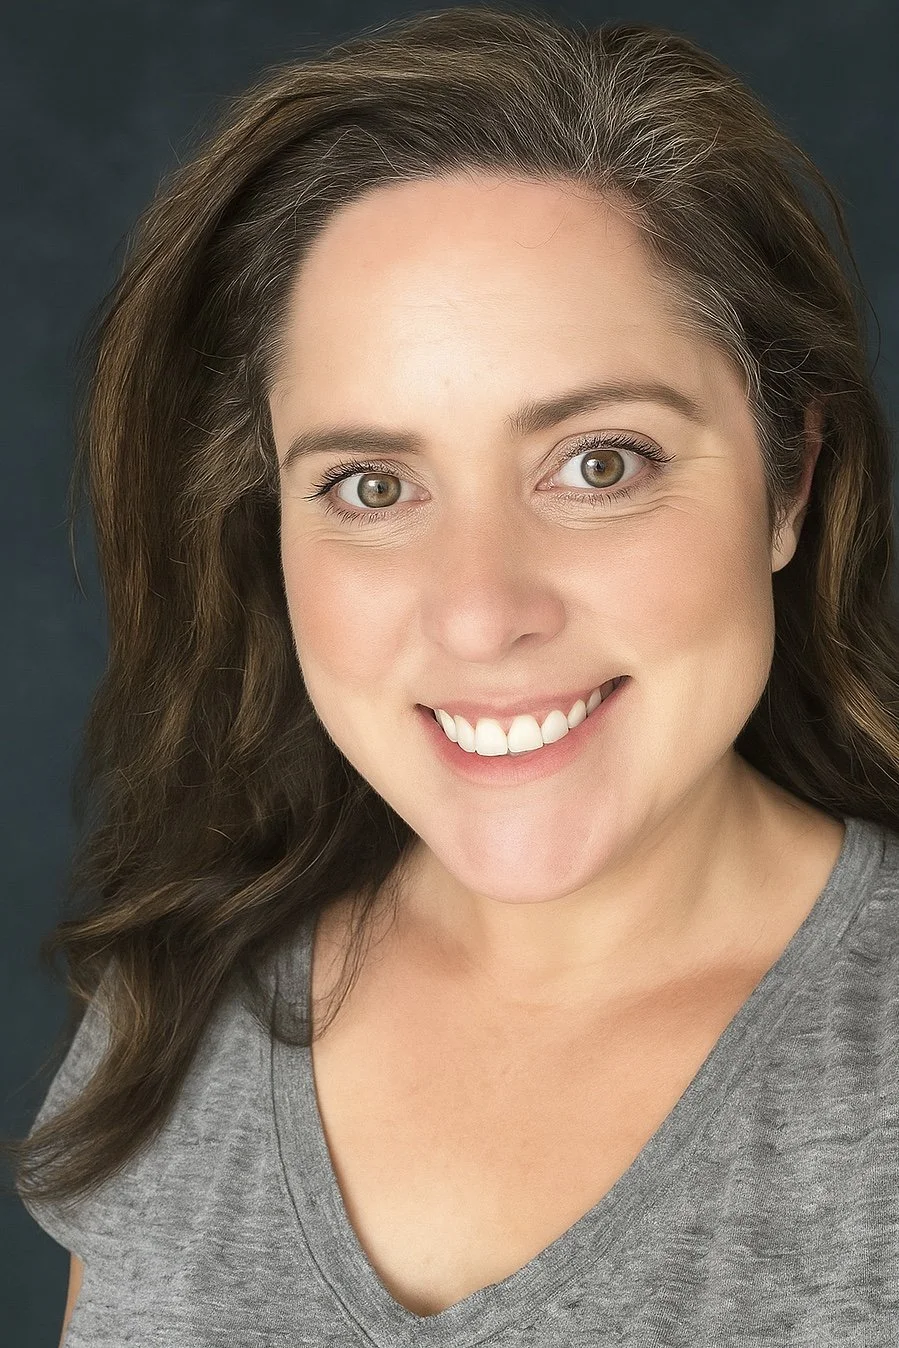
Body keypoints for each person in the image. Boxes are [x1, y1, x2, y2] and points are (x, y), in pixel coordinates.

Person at [8, 6, 899, 1345]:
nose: (481, 612)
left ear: (789, 482)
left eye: (599, 463)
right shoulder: (183, 997)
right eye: (371, 485)